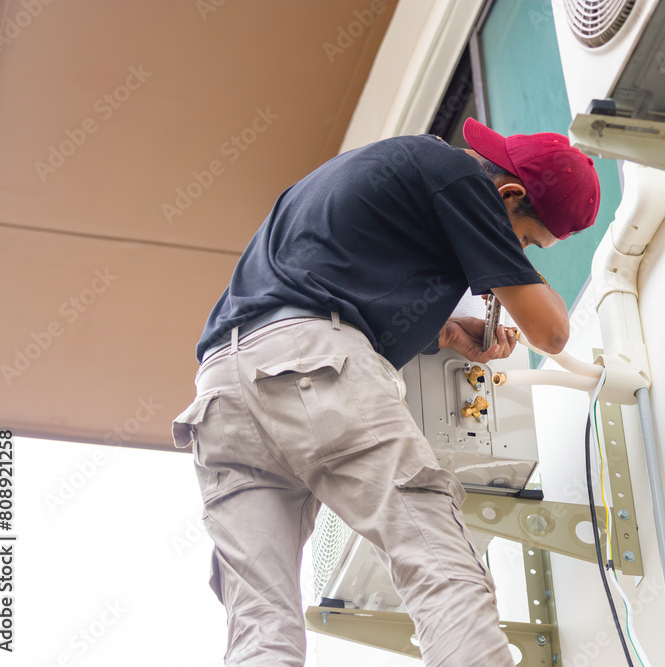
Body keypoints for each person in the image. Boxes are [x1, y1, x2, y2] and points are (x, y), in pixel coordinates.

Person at [171, 117, 600, 666]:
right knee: (439, 567)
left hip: (221, 396)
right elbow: (552, 332)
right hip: (310, 367)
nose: (517, 252)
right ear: (509, 194)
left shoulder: (382, 170)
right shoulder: (459, 176)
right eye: (525, 240)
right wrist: (513, 269)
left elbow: (325, 290)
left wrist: (444, 329)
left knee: (261, 629)